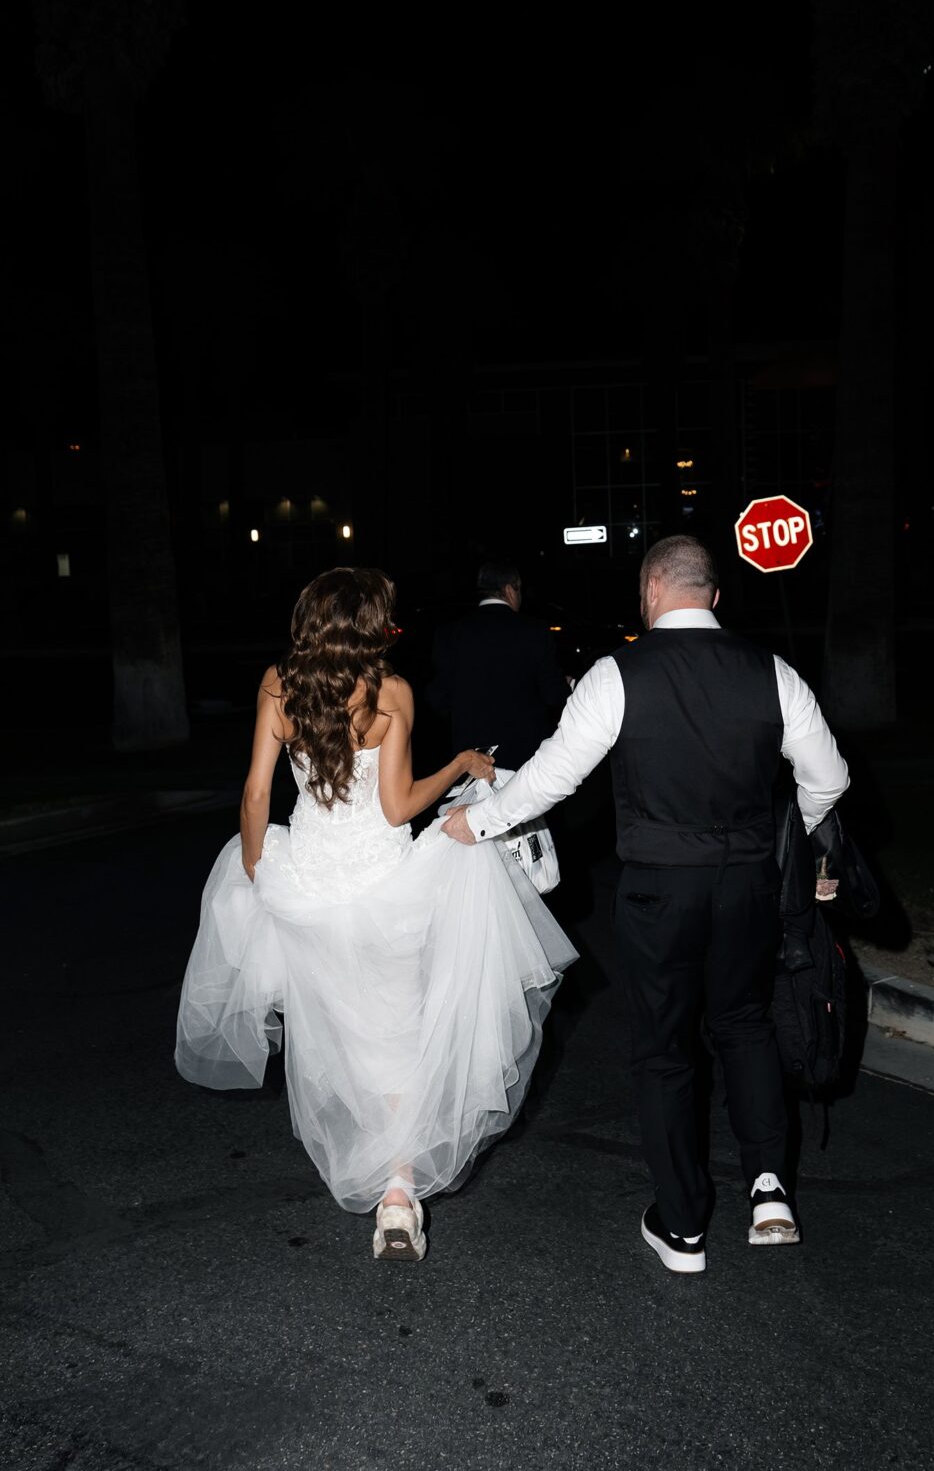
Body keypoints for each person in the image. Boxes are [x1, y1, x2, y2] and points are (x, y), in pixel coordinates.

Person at [443, 534, 849, 1275]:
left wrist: (478, 819)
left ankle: (685, 1228)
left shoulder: (615, 674)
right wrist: (793, 832)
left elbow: (552, 778)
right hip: (746, 884)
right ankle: (768, 1188)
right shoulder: (772, 672)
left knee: (664, 1051)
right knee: (744, 1024)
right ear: (714, 595)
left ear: (649, 591)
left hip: (660, 887)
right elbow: (826, 778)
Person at [176, 567, 575, 1262]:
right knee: (396, 1034)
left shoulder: (278, 684)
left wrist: (260, 874)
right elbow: (397, 808)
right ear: (371, 626)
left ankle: (386, 1177)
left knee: (343, 1037)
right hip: (386, 886)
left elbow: (252, 796)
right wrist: (457, 765)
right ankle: (398, 1193)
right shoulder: (390, 691)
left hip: (309, 882)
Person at [426, 560, 571, 771]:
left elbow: (437, 695)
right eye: (519, 589)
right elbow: (553, 694)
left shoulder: (449, 634)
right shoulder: (534, 631)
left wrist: (465, 716)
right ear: (510, 590)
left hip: (472, 759)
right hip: (524, 759)